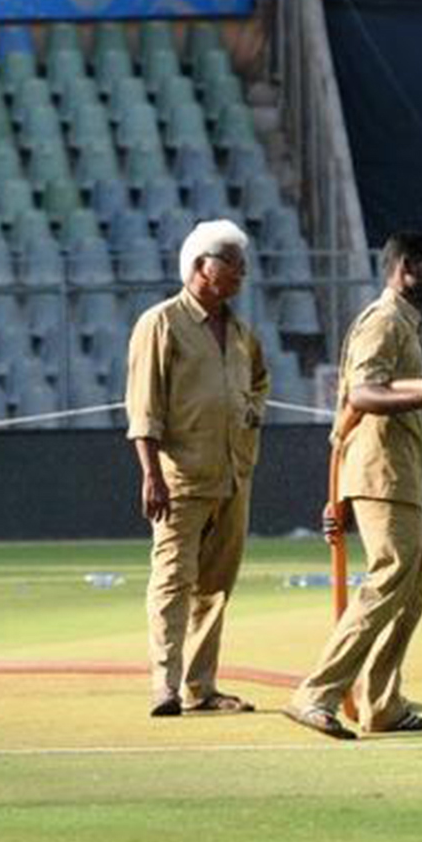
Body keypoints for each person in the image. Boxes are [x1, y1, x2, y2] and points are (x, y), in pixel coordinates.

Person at [286, 232, 422, 740]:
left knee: (412, 587)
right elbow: (361, 394)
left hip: (401, 470)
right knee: (391, 578)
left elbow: (374, 393)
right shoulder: (383, 321)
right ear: (405, 267)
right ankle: (315, 694)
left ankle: (382, 704)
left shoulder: (407, 323)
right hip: (381, 470)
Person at [125, 219, 269, 718]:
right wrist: (151, 473)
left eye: (241, 264)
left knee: (215, 585)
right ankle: (164, 686)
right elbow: (143, 406)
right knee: (171, 577)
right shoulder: (161, 323)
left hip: (234, 475)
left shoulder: (242, 334)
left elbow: (259, 383)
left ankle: (200, 688)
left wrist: (252, 413)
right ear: (199, 268)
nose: (240, 272)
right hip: (180, 477)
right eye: (230, 262)